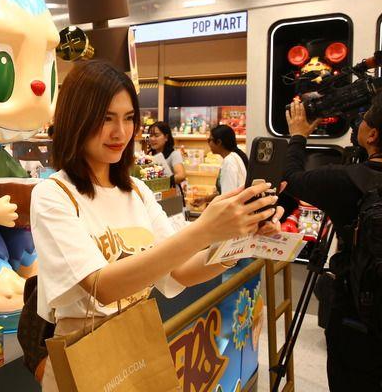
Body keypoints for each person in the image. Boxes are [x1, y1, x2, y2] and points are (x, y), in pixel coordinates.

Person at [30, 60, 281, 391]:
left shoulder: (137, 191)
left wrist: (237, 241)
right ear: (76, 118)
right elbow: (101, 286)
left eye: (128, 118)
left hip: (137, 341)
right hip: (86, 351)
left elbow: (181, 272)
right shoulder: (53, 194)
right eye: (106, 118)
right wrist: (205, 230)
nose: (120, 132)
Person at [284, 98, 382, 391]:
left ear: (372, 135)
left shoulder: (346, 180)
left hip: (356, 317)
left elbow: (290, 180)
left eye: (365, 117)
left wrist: (298, 135)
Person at [193, 125, 249, 207]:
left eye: (210, 140)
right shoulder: (235, 156)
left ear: (219, 142)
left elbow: (227, 198)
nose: (208, 143)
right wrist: (205, 199)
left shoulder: (229, 162)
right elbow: (225, 192)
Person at [148, 121, 187, 187]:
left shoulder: (174, 154)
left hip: (170, 192)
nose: (152, 139)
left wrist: (162, 183)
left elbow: (181, 175)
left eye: (156, 135)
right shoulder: (149, 155)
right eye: (151, 135)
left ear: (166, 137)